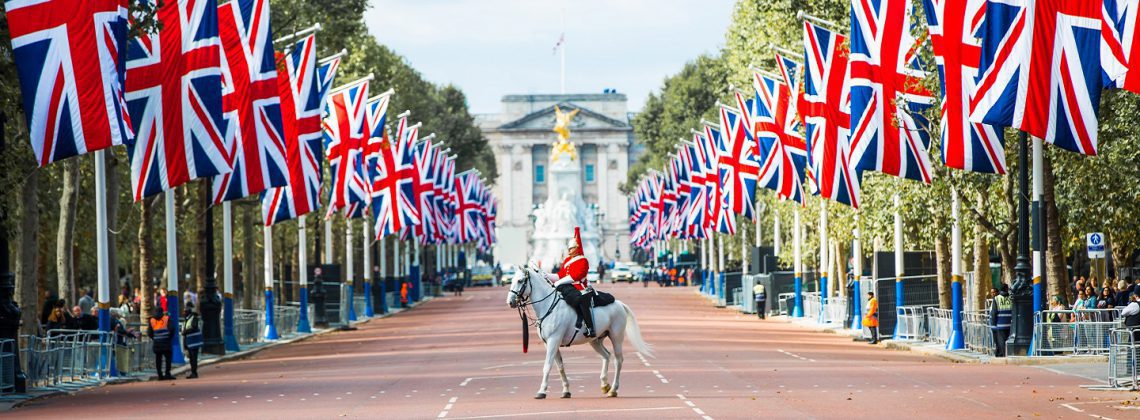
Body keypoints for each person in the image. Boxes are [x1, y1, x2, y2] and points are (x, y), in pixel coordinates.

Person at [552, 227, 595, 337]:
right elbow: (559, 275)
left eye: (571, 248)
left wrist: (559, 282)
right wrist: (544, 275)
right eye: (569, 248)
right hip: (569, 289)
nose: (569, 250)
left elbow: (576, 276)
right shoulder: (567, 261)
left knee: (581, 302)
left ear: (576, 248)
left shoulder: (583, 260)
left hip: (582, 289)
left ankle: (590, 327)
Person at [148, 307, 175, 380]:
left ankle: (160, 375)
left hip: (157, 342)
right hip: (166, 342)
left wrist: (155, 338)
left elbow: (149, 333)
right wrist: (169, 337)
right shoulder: (166, 319)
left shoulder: (152, 320)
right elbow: (172, 329)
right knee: (168, 358)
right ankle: (167, 373)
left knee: (158, 359)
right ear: (162, 312)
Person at [990, 284, 1012, 357]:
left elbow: (994, 312)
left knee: (1001, 341)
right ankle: (1007, 353)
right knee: (1008, 340)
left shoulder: (996, 299)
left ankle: (1003, 354)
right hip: (1010, 323)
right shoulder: (1010, 298)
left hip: (1000, 324)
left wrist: (993, 324)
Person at [182, 303, 202, 379]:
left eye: (185, 312)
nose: (183, 313)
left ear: (188, 312)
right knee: (191, 358)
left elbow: (193, 327)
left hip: (194, 341)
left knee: (194, 358)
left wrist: (185, 332)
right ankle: (193, 372)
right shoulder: (186, 319)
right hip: (189, 341)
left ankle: (194, 373)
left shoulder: (194, 318)